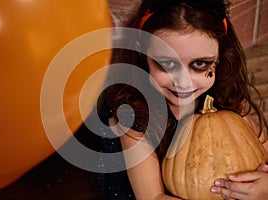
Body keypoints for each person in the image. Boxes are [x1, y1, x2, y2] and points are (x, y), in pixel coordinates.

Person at [97, 0, 268, 199]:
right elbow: (153, 197)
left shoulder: (224, 100)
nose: (183, 83)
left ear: (219, 56)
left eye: (200, 64)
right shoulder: (132, 114)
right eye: (167, 63)